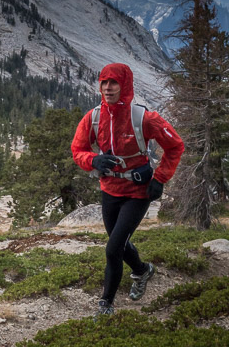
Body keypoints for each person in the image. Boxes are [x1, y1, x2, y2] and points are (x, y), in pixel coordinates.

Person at [71, 63, 184, 318]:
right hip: (109, 190)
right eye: (104, 83)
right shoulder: (94, 117)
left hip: (137, 192)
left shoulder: (143, 118)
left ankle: (106, 304)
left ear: (125, 86)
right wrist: (93, 161)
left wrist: (160, 178)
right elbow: (77, 150)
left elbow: (175, 145)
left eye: (114, 83)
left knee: (112, 249)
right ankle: (143, 271)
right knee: (119, 244)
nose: (108, 88)